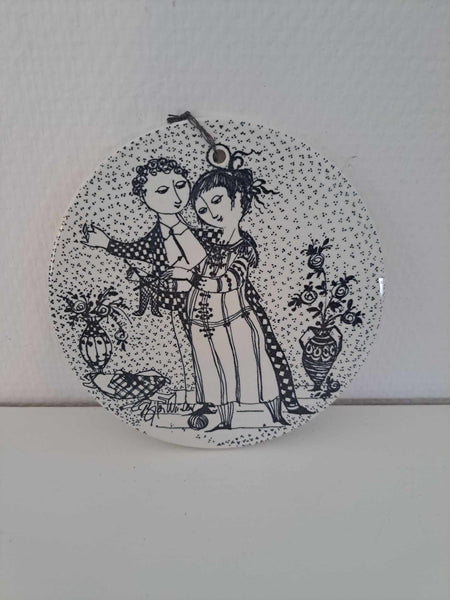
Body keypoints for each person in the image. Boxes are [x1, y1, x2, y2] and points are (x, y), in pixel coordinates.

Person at [162, 145, 314, 430]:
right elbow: (192, 260)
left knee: (255, 365)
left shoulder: (244, 247)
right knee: (216, 375)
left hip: (235, 318)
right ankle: (225, 421)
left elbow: (229, 282)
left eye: (217, 200)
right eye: (203, 210)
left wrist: (191, 277)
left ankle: (278, 415)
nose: (211, 213)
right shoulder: (209, 242)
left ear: (239, 200)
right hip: (203, 323)